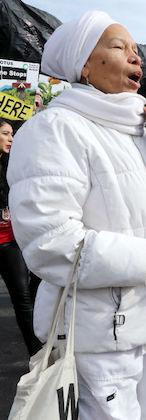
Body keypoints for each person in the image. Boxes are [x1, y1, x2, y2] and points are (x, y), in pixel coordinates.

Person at [7, 12, 146, 419]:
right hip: (97, 340)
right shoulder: (52, 129)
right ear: (84, 65)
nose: (136, 57)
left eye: (136, 50)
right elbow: (49, 241)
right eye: (118, 46)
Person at [0, 118, 41, 357]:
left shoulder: (13, 166)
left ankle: (38, 357)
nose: (11, 138)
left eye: (11, 134)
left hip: (10, 243)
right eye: (5, 133)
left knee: (23, 301)